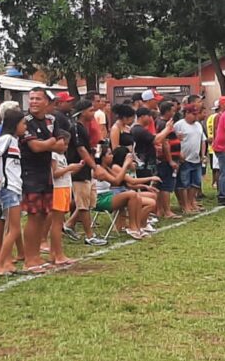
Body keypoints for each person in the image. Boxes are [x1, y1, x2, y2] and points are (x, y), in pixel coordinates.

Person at [20, 87, 59, 273]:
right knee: (34, 216)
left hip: (45, 174)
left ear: (46, 102)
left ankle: (35, 256)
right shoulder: (26, 122)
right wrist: (50, 143)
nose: (34, 102)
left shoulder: (49, 122)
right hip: (30, 174)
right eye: (31, 98)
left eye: (38, 98)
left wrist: (49, 144)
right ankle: (29, 259)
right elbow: (35, 146)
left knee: (44, 215)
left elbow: (62, 145)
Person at [0, 106, 25, 277]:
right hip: (8, 188)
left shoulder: (15, 141)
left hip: (15, 187)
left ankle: (6, 262)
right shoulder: (7, 139)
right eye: (23, 123)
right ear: (15, 124)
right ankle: (0, 264)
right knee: (15, 229)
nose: (25, 127)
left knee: (11, 227)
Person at [93, 145, 153, 239]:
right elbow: (117, 181)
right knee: (132, 194)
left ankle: (137, 227)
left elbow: (119, 180)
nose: (112, 156)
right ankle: (133, 227)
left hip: (108, 195)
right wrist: (125, 165)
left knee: (136, 196)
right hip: (99, 199)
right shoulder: (99, 169)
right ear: (103, 157)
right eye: (109, 154)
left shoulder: (107, 168)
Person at [68, 99, 105, 246]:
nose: (93, 113)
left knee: (89, 201)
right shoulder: (76, 128)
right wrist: (95, 167)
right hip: (79, 169)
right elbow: (81, 149)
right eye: (90, 110)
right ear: (82, 112)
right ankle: (90, 235)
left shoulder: (84, 127)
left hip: (86, 168)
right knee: (83, 203)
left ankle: (69, 224)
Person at [48, 130, 81, 266]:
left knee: (58, 222)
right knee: (57, 223)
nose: (66, 147)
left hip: (65, 188)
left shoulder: (61, 155)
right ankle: (58, 254)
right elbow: (54, 173)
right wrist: (68, 168)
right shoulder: (54, 155)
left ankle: (53, 253)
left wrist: (73, 169)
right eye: (64, 144)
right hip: (58, 189)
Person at [174, 104, 205, 213]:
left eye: (196, 114)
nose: (195, 116)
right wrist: (178, 154)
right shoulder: (179, 125)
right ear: (186, 113)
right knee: (184, 183)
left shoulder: (198, 125)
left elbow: (202, 140)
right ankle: (185, 205)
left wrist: (203, 154)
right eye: (193, 114)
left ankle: (191, 202)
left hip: (196, 157)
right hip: (184, 158)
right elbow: (173, 140)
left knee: (195, 182)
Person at [155, 100, 182, 219]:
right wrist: (170, 160)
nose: (174, 112)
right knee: (166, 185)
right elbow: (165, 143)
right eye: (172, 110)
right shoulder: (164, 124)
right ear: (167, 111)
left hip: (169, 158)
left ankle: (160, 210)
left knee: (162, 185)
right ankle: (167, 211)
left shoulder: (164, 122)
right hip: (166, 160)